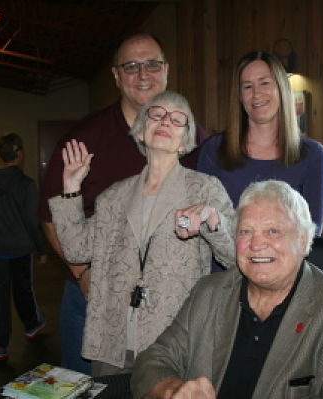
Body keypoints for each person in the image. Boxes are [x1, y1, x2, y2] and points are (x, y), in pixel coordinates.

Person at [38, 32, 207, 373]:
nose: (143, 74)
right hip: (94, 299)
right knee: (89, 388)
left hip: (169, 307)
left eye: (151, 64)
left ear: (167, 70)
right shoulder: (83, 140)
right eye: (130, 66)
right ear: (116, 76)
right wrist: (83, 274)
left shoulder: (195, 140)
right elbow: (50, 215)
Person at [131, 180, 323, 399]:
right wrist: (173, 390)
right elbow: (152, 361)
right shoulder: (208, 292)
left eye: (273, 231)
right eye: (246, 232)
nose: (257, 244)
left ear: (303, 240)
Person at [48, 91, 235, 376]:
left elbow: (236, 255)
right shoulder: (114, 196)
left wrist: (213, 219)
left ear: (185, 140)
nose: (165, 121)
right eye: (156, 114)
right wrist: (72, 188)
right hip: (112, 341)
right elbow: (76, 250)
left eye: (177, 119)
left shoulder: (205, 189)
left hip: (173, 341)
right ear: (141, 131)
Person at [197, 51, 323, 235]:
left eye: (264, 83)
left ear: (281, 88)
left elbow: (311, 235)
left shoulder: (313, 155)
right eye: (247, 86)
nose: (256, 94)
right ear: (240, 96)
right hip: (223, 263)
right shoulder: (214, 150)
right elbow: (201, 222)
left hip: (283, 263)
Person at [0, 133, 46, 361]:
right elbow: (31, 220)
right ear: (20, 154)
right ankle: (32, 325)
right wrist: (41, 248)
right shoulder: (26, 184)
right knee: (23, 289)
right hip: (19, 249)